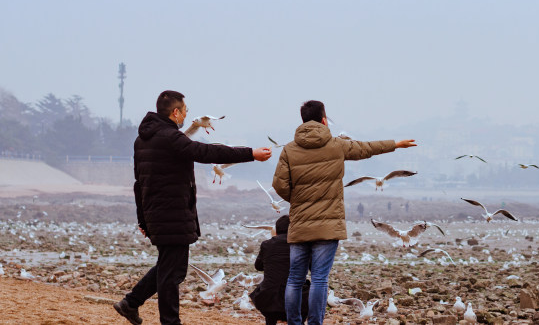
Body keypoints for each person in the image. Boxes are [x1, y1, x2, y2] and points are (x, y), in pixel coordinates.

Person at [113, 90, 272, 325]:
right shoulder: (170, 137)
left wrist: (143, 219)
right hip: (172, 213)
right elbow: (206, 152)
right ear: (175, 112)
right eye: (185, 111)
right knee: (172, 273)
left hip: (157, 212)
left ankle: (130, 303)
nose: (187, 115)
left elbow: (139, 183)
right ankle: (168, 321)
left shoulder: (142, 140)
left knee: (170, 265)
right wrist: (250, 153)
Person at [272, 100, 416, 325]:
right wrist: (395, 144)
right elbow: (366, 148)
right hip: (328, 226)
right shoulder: (336, 145)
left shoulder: (289, 150)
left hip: (299, 223)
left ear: (302, 120)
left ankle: (294, 323)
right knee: (319, 279)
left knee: (295, 279)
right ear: (323, 120)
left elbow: (279, 185)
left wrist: (298, 201)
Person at [250, 215, 310, 325]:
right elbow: (311, 267)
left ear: (276, 230)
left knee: (269, 287)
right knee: (310, 290)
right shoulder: (301, 245)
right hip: (297, 301)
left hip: (269, 300)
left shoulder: (266, 244)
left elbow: (258, 266)